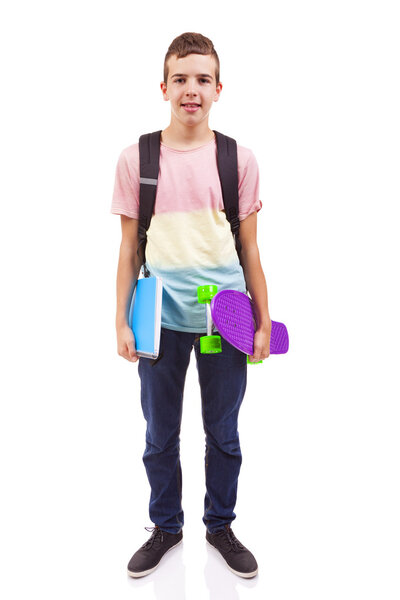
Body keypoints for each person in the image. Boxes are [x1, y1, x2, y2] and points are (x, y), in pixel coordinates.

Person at [111, 32, 271, 579]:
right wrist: (121, 320)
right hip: (159, 319)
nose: (191, 90)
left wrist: (263, 319)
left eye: (203, 79)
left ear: (219, 89)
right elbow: (129, 249)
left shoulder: (238, 159)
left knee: (223, 431)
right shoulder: (138, 158)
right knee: (160, 433)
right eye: (180, 78)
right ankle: (167, 526)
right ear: (163, 87)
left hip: (225, 317)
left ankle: (220, 525)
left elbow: (250, 249)